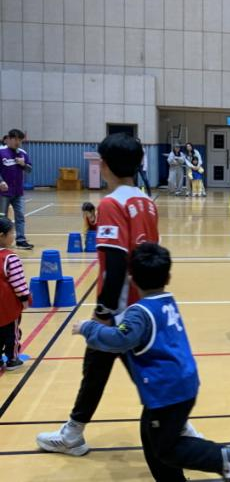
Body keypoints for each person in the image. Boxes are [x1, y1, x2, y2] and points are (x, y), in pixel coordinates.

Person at [71, 243, 230, 481]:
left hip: (167, 392)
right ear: (168, 277)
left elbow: (120, 339)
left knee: (165, 449)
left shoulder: (139, 313)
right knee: (152, 440)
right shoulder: (167, 301)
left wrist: (88, 328)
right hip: (183, 383)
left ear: (132, 279)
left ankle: (221, 458)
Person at [37, 133, 161, 456]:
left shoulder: (111, 204)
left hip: (120, 310)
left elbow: (116, 264)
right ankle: (73, 432)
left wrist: (103, 312)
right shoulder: (146, 202)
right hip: (143, 304)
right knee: (100, 367)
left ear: (103, 165)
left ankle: (180, 432)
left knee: (134, 374)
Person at [0, 217, 30, 371]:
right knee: (12, 333)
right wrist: (25, 298)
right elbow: (18, 283)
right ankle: (12, 359)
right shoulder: (10, 257)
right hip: (7, 306)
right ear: (2, 236)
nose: (13, 236)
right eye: (11, 233)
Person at [0, 129, 33, 250]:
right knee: (2, 217)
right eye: (15, 139)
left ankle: (21, 240)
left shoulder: (23, 153)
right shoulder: (1, 152)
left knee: (20, 216)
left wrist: (23, 164)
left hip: (18, 192)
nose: (18, 142)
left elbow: (29, 170)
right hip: (4, 192)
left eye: (20, 140)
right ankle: (1, 241)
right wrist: (1, 181)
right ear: (9, 139)